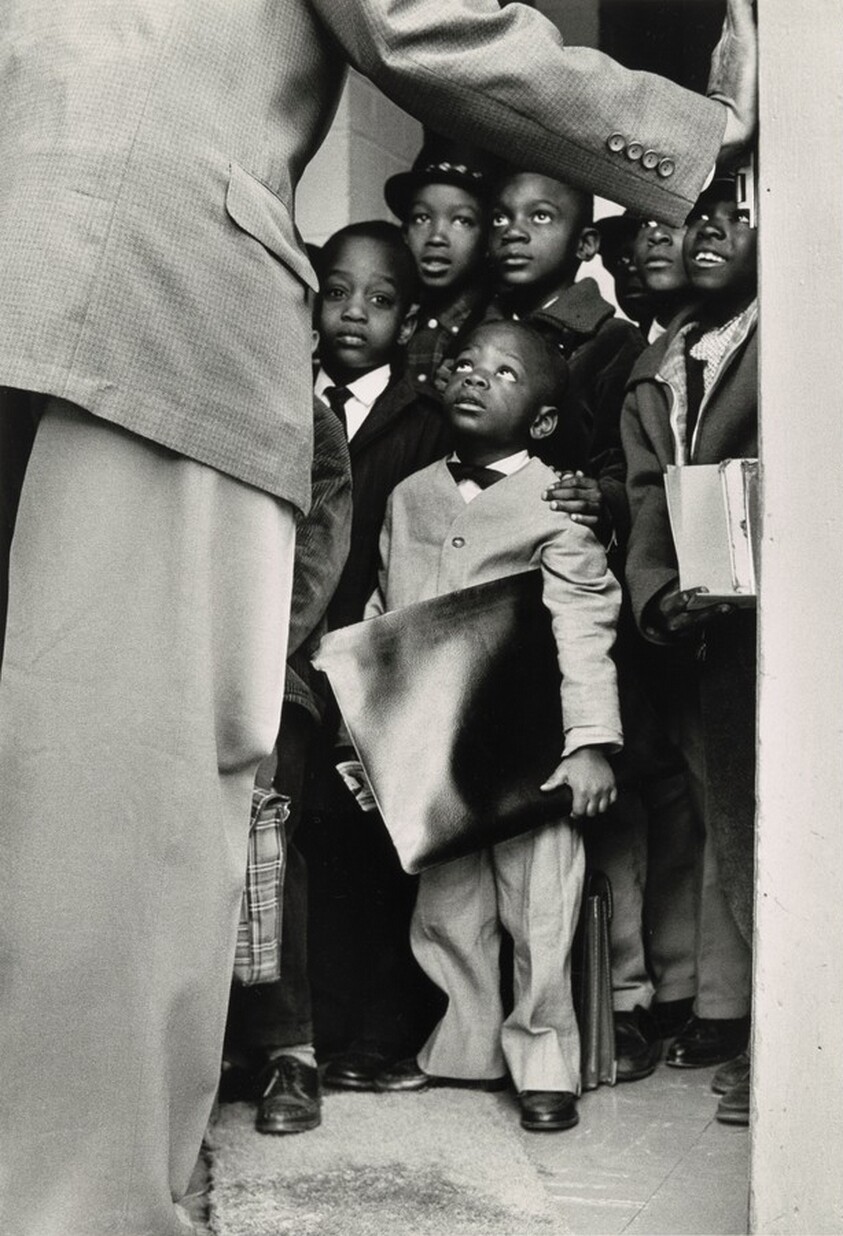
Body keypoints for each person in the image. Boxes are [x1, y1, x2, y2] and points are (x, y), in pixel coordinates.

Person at [0, 0, 756, 1230]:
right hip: (137, 295)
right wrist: (700, 136)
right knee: (119, 791)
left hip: (35, 258)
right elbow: (419, 25)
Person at [370, 319, 622, 1131]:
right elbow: (386, 620)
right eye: (468, 365)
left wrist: (588, 745)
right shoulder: (409, 498)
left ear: (543, 422)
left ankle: (544, 1057)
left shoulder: (551, 502)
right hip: (439, 755)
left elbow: (585, 627)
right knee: (446, 908)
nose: (478, 378)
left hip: (533, 754)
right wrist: (367, 740)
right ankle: (465, 1048)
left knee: (539, 907)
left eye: (505, 374)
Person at [622, 175, 758, 1125]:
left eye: (734, 216)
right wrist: (657, 595)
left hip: (786, 623)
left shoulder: (791, 335)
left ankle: (786, 1040)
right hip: (709, 631)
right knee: (734, 824)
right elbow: (643, 499)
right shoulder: (662, 363)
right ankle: (755, 1027)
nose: (705, 230)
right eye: (693, 217)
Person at [305, 221, 449, 1090]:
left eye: (381, 300)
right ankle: (308, 1033)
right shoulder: (281, 397)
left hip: (383, 661)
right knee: (308, 838)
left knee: (380, 847)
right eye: (336, 291)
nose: (354, 313)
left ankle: (382, 1033)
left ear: (411, 317)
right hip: (294, 652)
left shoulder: (429, 419)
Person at [222, 393, 352, 1137]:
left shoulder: (304, 417)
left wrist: (252, 650)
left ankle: (287, 1050)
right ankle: (202, 1044)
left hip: (269, 665)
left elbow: (318, 548)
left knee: (263, 850)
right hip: (151, 663)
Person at [487, 170, 645, 473]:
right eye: (500, 219)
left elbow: (622, 467)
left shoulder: (613, 343)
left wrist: (599, 496)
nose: (513, 232)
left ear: (585, 244)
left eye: (541, 216)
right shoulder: (476, 337)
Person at [384, 134, 499, 395]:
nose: (436, 237)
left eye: (461, 220)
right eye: (422, 218)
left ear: (488, 237)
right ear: (404, 232)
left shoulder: (493, 325)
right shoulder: (390, 315)